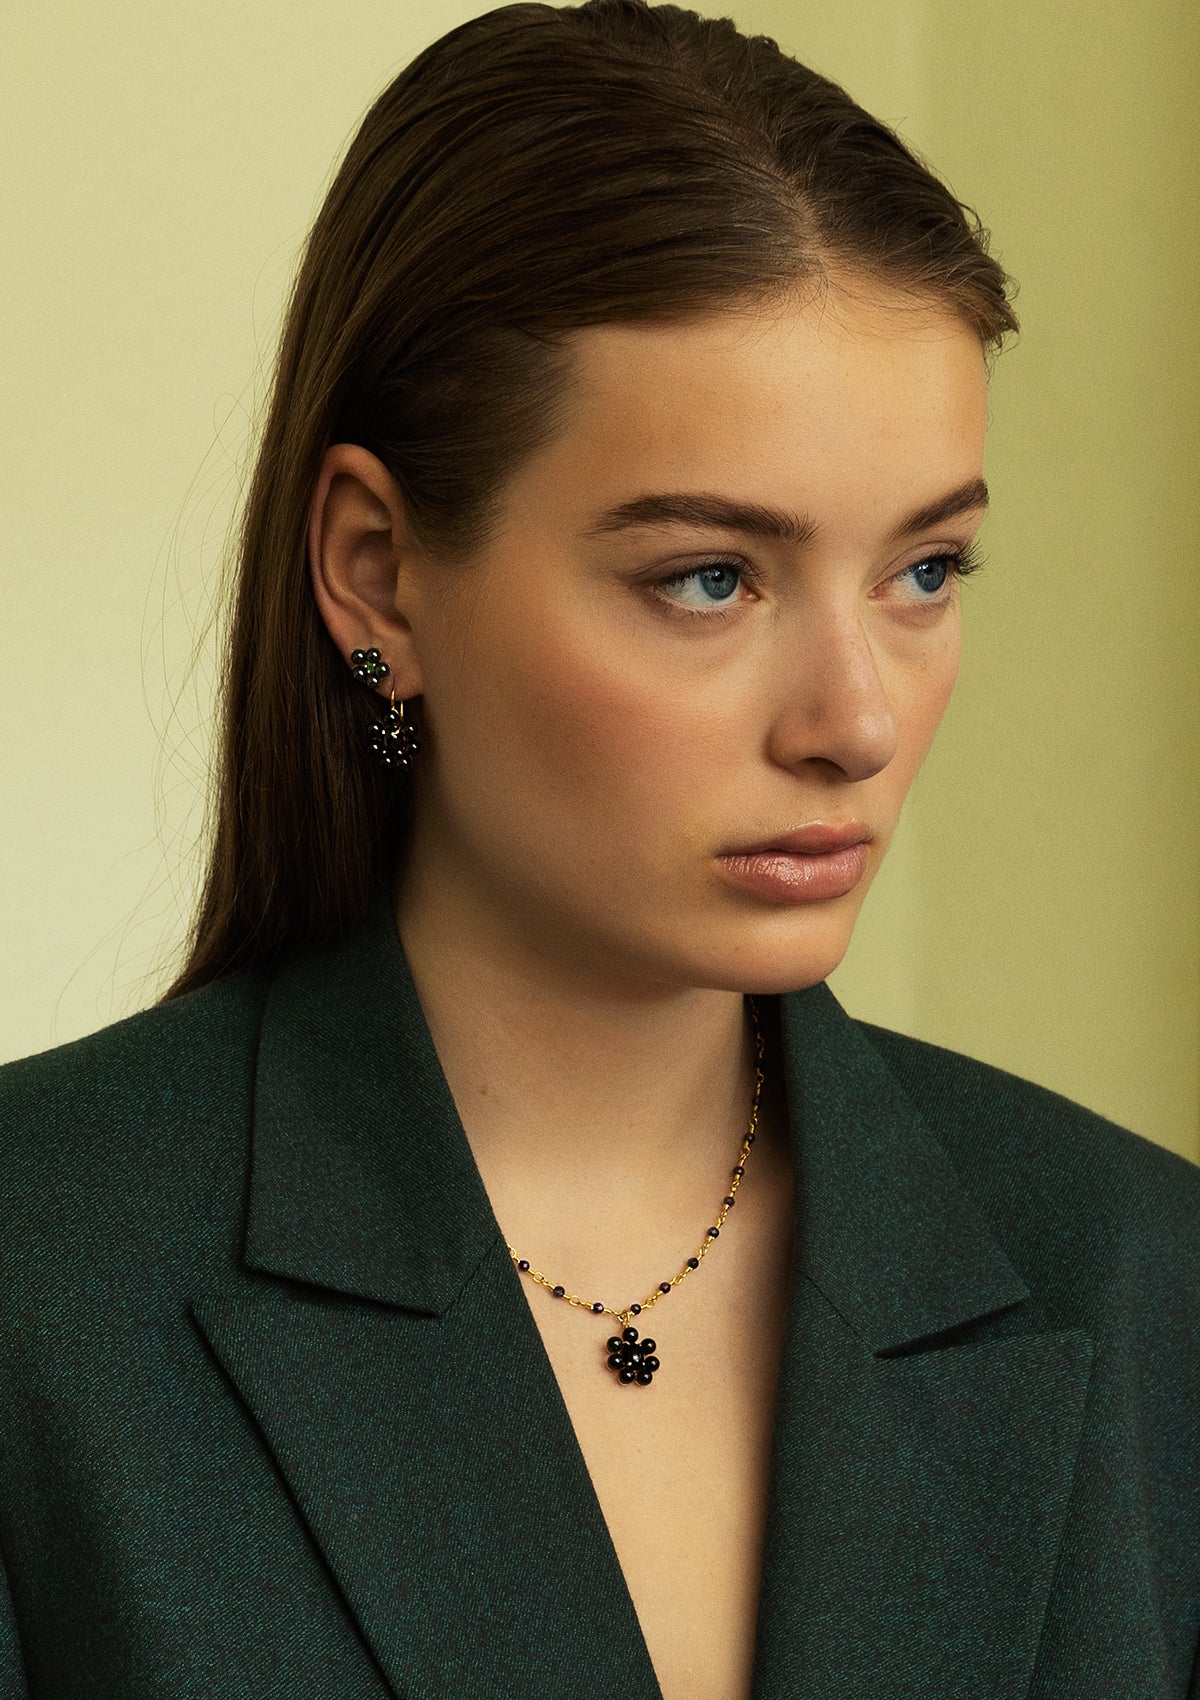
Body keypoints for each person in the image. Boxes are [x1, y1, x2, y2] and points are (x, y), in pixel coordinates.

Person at [2, 2, 1198, 1696]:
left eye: (925, 571)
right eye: (709, 576)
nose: (854, 719)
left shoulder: (1148, 1285)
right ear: (376, 572)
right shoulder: (40, 1288)